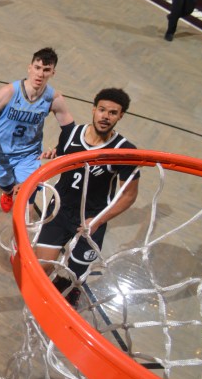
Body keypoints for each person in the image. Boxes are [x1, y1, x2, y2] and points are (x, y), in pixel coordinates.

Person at [34, 88, 139, 306]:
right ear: (93, 109)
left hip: (93, 216)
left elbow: (129, 195)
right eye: (102, 110)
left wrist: (99, 220)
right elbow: (61, 156)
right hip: (61, 209)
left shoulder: (124, 151)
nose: (105, 116)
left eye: (112, 112)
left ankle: (69, 290)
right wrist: (50, 157)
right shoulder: (72, 134)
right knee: (41, 266)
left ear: (120, 116)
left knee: (73, 276)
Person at [0, 47, 74, 213]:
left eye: (46, 70)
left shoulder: (53, 98)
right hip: (0, 151)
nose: (40, 74)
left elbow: (69, 127)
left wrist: (60, 148)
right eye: (37, 68)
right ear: (30, 67)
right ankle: (7, 193)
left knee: (28, 191)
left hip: (28, 154)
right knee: (5, 183)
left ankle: (24, 218)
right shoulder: (10, 92)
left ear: (53, 73)